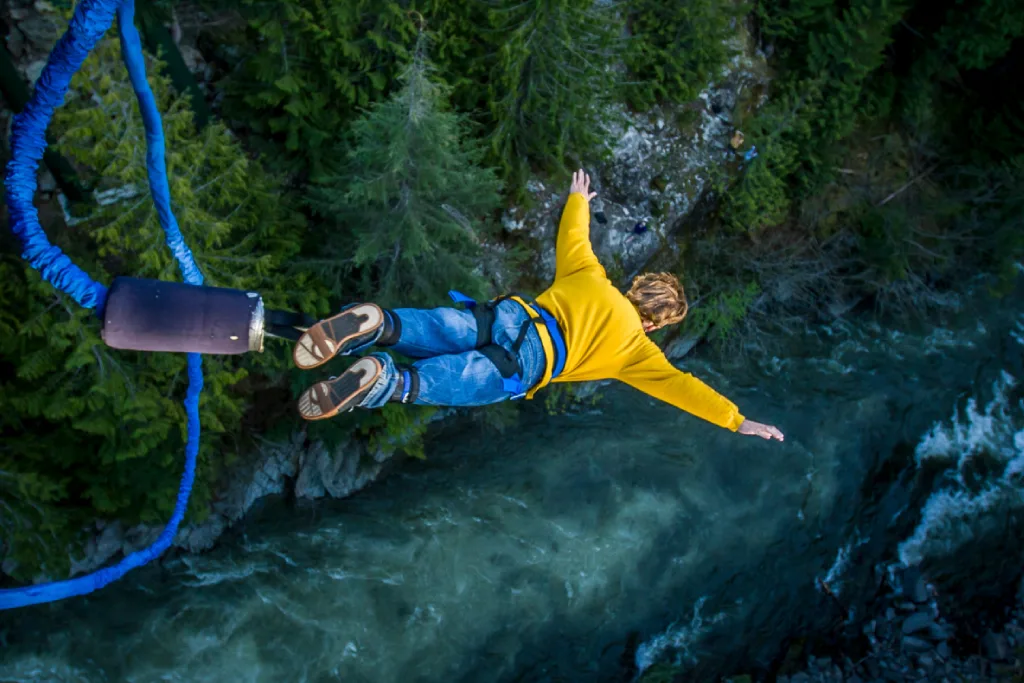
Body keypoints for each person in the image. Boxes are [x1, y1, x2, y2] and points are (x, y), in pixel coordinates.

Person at [292, 170, 784, 442]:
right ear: (654, 323)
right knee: (444, 382)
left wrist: (579, 199)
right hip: (529, 363)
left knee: (445, 327)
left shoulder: (590, 276)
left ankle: (379, 323)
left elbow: (574, 236)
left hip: (511, 316)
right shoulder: (637, 352)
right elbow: (683, 389)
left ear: (635, 287)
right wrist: (737, 420)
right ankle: (384, 379)